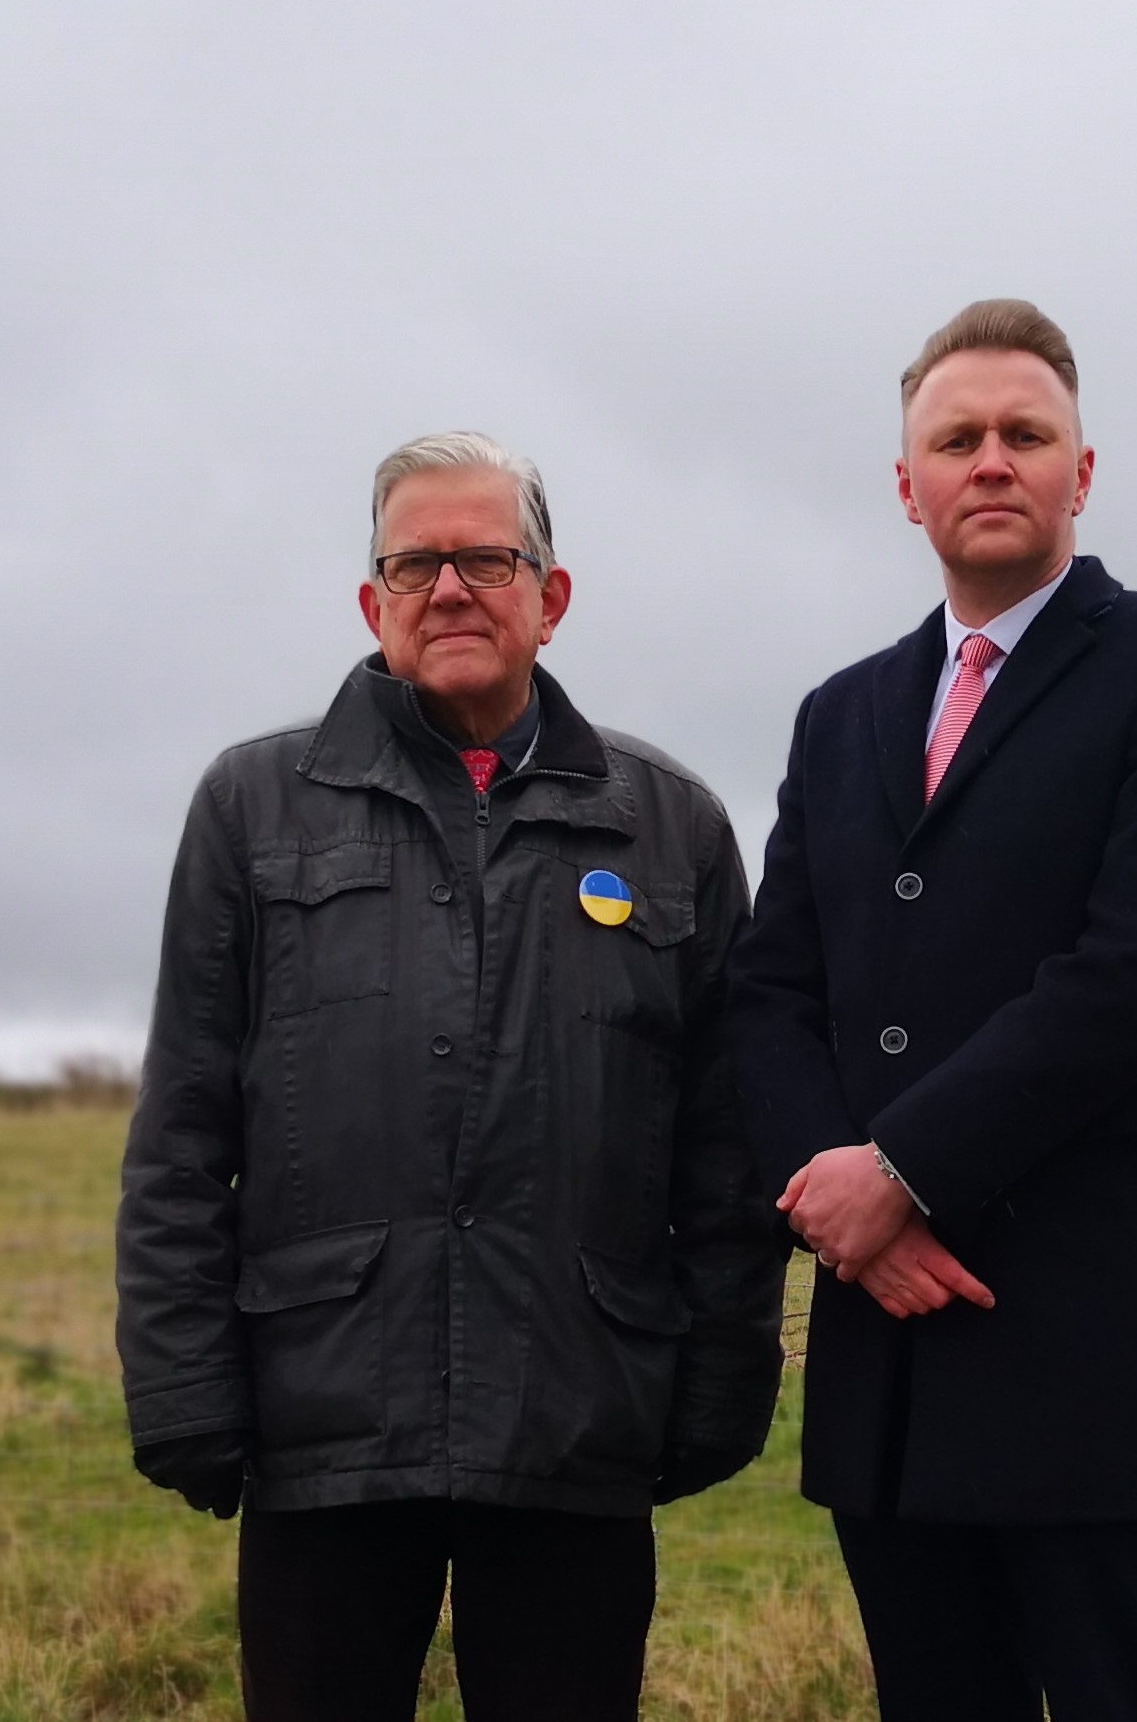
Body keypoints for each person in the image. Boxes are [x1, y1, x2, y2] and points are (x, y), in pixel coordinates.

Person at [117, 431, 788, 1722]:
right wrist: (184, 1386)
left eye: (486, 557)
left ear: (552, 594)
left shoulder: (670, 827)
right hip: (322, 1415)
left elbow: (721, 1148)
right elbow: (185, 1127)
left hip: (573, 1415)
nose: (450, 588)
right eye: (414, 562)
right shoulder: (253, 807)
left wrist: (718, 1382)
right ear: (372, 600)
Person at [732, 301, 1137, 1721]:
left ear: (1079, 473)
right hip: (894, 1364)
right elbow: (770, 988)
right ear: (905, 483)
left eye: (1023, 434)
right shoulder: (837, 714)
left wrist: (902, 1170)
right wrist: (833, 1196)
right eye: (956, 438)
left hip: (1093, 1355)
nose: (991, 459)